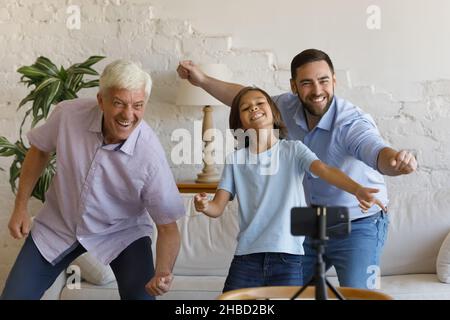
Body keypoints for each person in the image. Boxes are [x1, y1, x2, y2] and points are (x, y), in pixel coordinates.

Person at [178, 49, 418, 289]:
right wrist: (202, 80)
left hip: (356, 221)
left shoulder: (351, 121)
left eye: (324, 81)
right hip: (306, 223)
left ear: (334, 80)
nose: (316, 91)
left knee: (359, 294)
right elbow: (244, 98)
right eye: (306, 83)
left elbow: (375, 151)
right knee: (280, 292)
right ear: (294, 86)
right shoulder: (283, 108)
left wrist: (397, 162)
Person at [1, 60, 185, 300]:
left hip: (121, 232)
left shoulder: (150, 155)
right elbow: (40, 150)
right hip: (59, 224)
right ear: (101, 100)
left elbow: (168, 226)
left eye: (138, 105)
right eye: (119, 103)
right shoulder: (68, 114)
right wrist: (21, 207)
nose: (128, 114)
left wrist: (163, 273)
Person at [193, 86, 386, 292]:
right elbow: (217, 208)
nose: (254, 108)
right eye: (245, 107)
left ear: (273, 111)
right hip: (246, 257)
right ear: (239, 121)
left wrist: (357, 189)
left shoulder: (293, 150)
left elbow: (325, 170)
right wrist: (204, 205)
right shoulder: (235, 160)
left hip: (289, 257)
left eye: (260, 103)